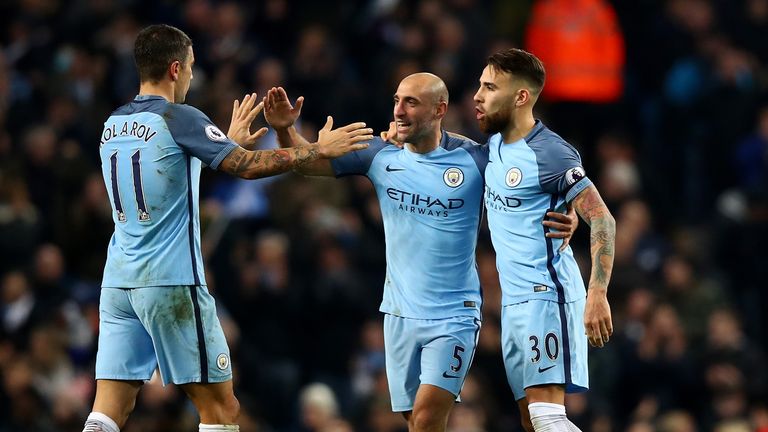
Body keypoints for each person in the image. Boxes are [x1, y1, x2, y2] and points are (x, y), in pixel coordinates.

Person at [83, 24, 372, 432]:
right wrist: (314, 150)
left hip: (118, 284)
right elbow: (247, 167)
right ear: (174, 68)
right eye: (191, 68)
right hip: (170, 282)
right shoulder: (178, 116)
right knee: (221, 410)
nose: (191, 77)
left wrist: (225, 142)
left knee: (107, 411)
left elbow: (164, 173)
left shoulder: (113, 122)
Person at [261, 75, 576, 432]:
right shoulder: (378, 153)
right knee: (415, 422)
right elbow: (306, 162)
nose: (398, 110)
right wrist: (285, 131)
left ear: (439, 109)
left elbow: (537, 181)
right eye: (397, 100)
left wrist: (573, 212)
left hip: (454, 315)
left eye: (411, 102)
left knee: (426, 418)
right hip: (398, 312)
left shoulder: (475, 159)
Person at [473, 48, 616, 432]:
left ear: (521, 97)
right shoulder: (495, 147)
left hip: (547, 296)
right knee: (529, 419)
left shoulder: (550, 152)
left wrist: (597, 293)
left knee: (546, 416)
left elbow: (602, 218)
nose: (478, 95)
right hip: (514, 303)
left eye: (490, 87)